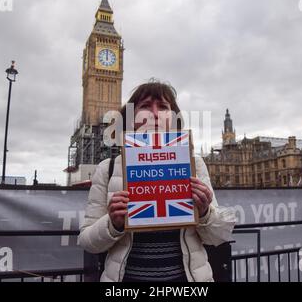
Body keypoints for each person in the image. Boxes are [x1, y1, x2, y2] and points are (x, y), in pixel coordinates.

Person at [78, 80, 237, 282]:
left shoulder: (194, 164)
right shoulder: (107, 169)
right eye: (145, 107)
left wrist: (205, 213)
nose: (154, 114)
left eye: (163, 108)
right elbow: (88, 242)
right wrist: (113, 224)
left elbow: (217, 237)